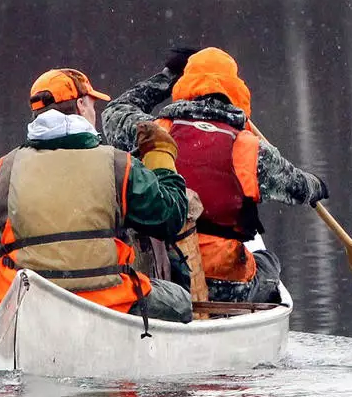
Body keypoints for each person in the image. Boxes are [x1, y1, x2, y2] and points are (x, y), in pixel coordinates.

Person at [0, 67, 198, 323]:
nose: (94, 112)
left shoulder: (6, 170)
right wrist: (161, 159)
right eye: (92, 104)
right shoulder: (118, 165)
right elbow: (170, 217)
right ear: (81, 105)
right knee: (180, 302)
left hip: (29, 301)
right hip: (108, 300)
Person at [102, 46, 327, 309]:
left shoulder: (153, 132)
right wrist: (318, 186)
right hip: (226, 283)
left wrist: (167, 76)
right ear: (236, 89)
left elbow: (115, 111)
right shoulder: (249, 147)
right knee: (269, 262)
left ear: (184, 86)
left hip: (163, 276)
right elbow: (299, 188)